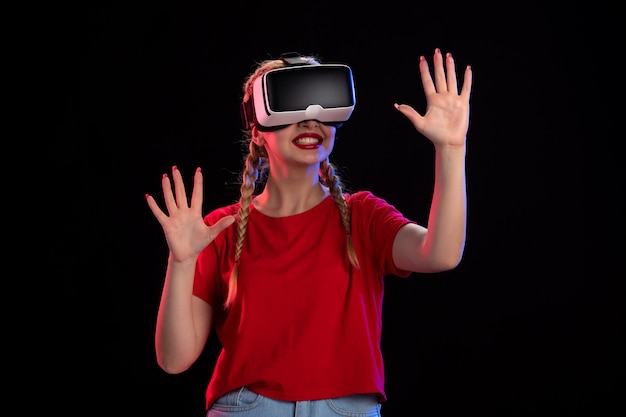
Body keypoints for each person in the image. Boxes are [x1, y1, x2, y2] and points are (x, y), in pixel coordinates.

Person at [146, 48, 472, 416]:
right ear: (258, 132)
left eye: (321, 106)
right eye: (293, 107)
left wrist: (451, 148)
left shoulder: (362, 216)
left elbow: (441, 254)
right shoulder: (220, 229)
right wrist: (181, 260)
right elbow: (174, 360)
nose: (310, 121)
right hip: (247, 409)